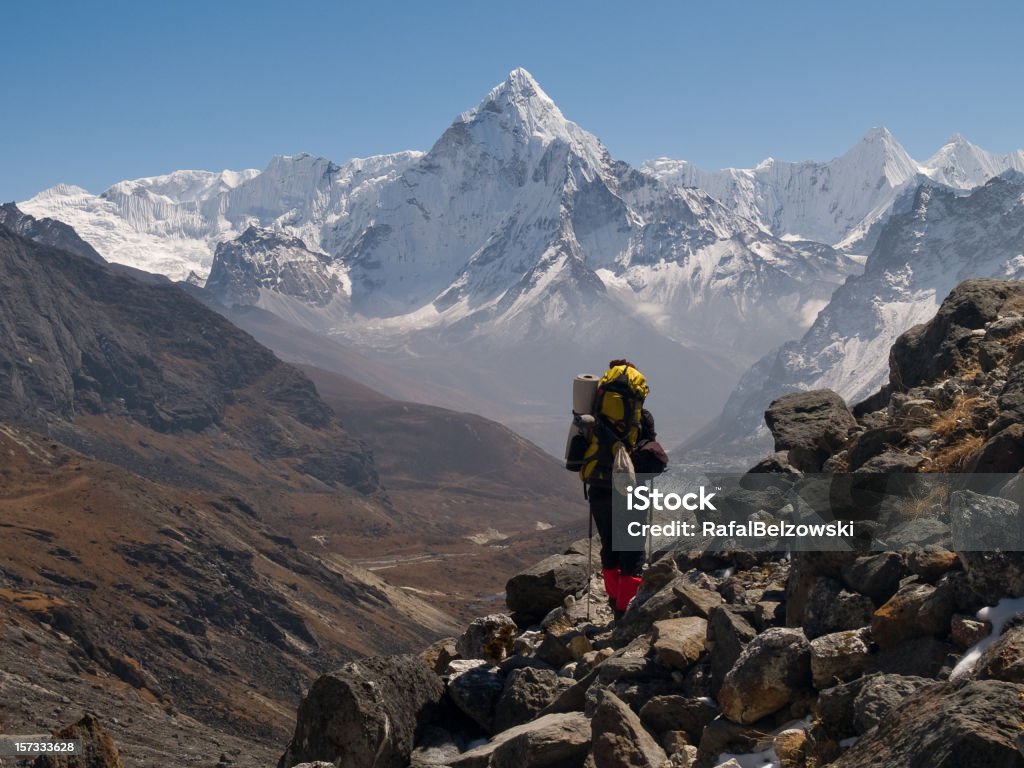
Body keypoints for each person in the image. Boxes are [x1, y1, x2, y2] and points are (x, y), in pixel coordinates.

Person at [579, 360, 667, 615]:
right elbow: (649, 449)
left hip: (598, 486)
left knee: (609, 545)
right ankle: (624, 611)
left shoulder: (591, 416)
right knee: (632, 549)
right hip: (630, 488)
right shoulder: (642, 418)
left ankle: (613, 598)